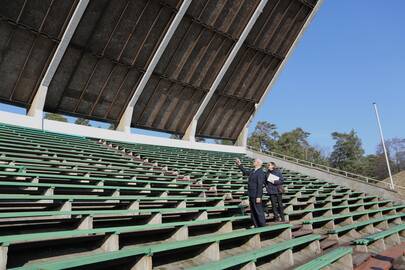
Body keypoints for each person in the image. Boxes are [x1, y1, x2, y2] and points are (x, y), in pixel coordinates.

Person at [235, 158, 266, 227]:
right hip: (251, 194)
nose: (253, 162)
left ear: (258, 163)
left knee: (258, 211)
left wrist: (259, 196)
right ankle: (256, 225)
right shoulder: (253, 171)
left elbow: (260, 185)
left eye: (254, 161)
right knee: (253, 211)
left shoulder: (260, 172)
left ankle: (262, 225)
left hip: (256, 195)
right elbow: (245, 172)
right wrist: (239, 164)